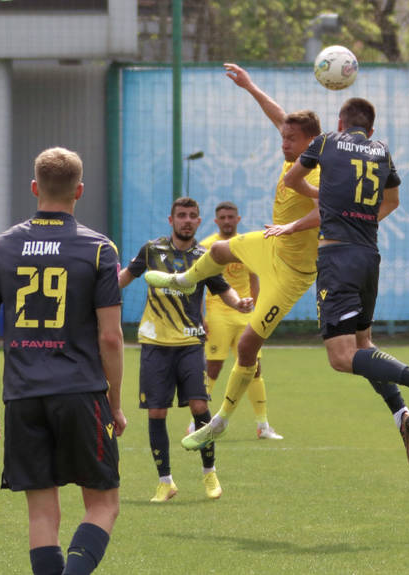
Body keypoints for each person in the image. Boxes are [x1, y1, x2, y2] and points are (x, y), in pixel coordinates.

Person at [144, 62, 321, 450]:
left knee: (246, 348)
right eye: (283, 136)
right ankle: (183, 280)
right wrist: (250, 86)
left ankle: (220, 420)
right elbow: (279, 116)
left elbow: (327, 211)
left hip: (292, 271)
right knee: (221, 248)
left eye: (290, 139)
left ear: (310, 140)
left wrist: (293, 224)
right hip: (272, 244)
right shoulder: (298, 152)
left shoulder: (327, 169)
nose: (283, 142)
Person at [0, 147, 126, 575]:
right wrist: (114, 405)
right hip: (80, 392)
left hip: (22, 396)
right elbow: (110, 337)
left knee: (41, 514)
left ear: (35, 188)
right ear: (80, 191)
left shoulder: (1, 248)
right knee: (103, 504)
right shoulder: (99, 250)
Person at [282, 97, 409, 472]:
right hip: (367, 256)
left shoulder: (326, 141)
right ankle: (401, 414)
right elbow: (392, 200)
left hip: (337, 258)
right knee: (364, 345)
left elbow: (291, 179)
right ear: (370, 130)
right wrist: (357, 216)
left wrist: (322, 197)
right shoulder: (382, 151)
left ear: (341, 123)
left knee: (341, 358)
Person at [118, 196, 253, 502]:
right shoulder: (151, 250)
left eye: (193, 215)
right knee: (156, 411)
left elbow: (224, 290)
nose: (187, 220)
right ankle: (165, 482)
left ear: (199, 221)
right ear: (171, 220)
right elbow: (124, 279)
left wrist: (239, 302)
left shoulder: (204, 257)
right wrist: (98, 286)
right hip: (155, 343)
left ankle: (210, 474)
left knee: (199, 407)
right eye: (181, 215)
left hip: (191, 343)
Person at [199, 201, 283, 440]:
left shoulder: (246, 245)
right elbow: (199, 283)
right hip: (218, 312)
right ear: (216, 221)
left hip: (245, 313)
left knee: (254, 367)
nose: (226, 221)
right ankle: (198, 421)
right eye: (222, 217)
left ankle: (263, 425)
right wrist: (201, 317)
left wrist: (257, 311)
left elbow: (254, 279)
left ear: (238, 219)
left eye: (230, 217)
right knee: (213, 366)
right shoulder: (207, 246)